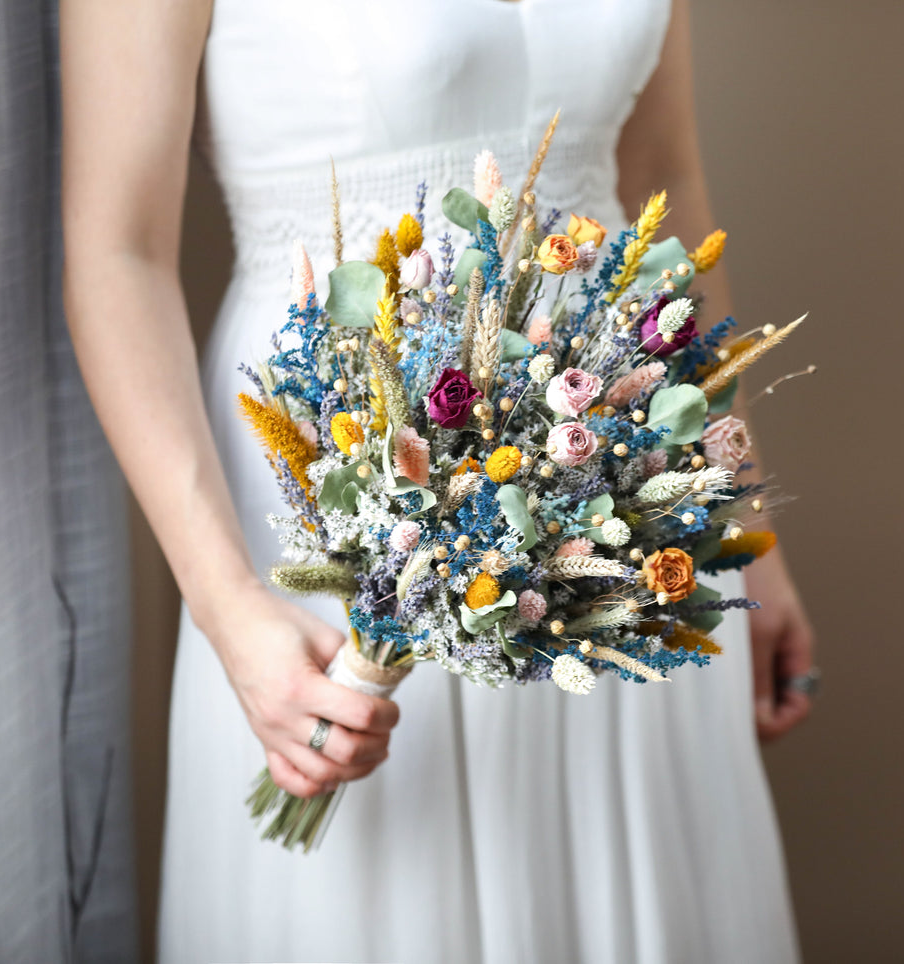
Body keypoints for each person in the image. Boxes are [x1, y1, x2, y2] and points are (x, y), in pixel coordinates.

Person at [61, 0, 816, 959]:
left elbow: (661, 180)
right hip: (345, 491)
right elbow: (114, 252)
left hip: (622, 501)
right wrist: (227, 610)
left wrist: (747, 529)